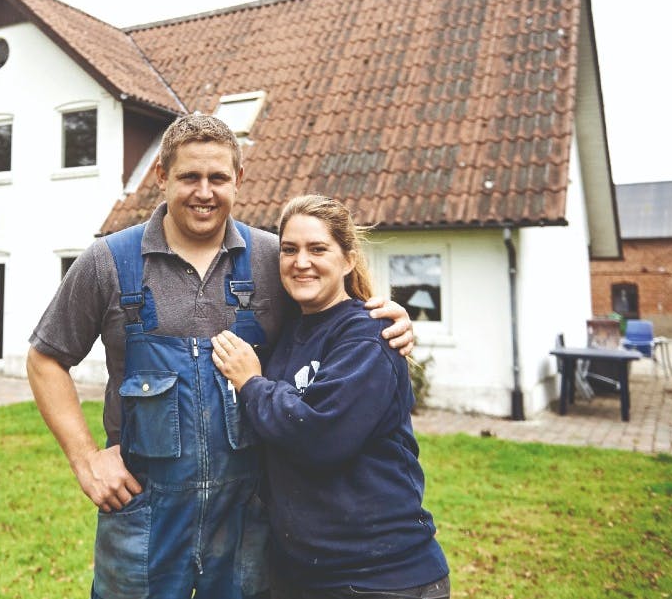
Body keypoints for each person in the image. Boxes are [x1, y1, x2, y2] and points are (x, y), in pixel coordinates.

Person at [27, 115, 416, 599]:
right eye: (189, 177)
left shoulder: (275, 259)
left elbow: (332, 310)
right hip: (144, 516)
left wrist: (385, 317)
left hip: (248, 517)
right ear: (162, 178)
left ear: (239, 180)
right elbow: (45, 359)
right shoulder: (108, 261)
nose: (204, 192)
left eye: (218, 178)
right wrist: (86, 460)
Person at [211, 194, 449, 599]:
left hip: (381, 579)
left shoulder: (368, 336)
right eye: (289, 250)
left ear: (348, 259)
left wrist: (251, 383)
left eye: (317, 248)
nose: (301, 261)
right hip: (307, 576)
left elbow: (318, 436)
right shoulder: (291, 332)